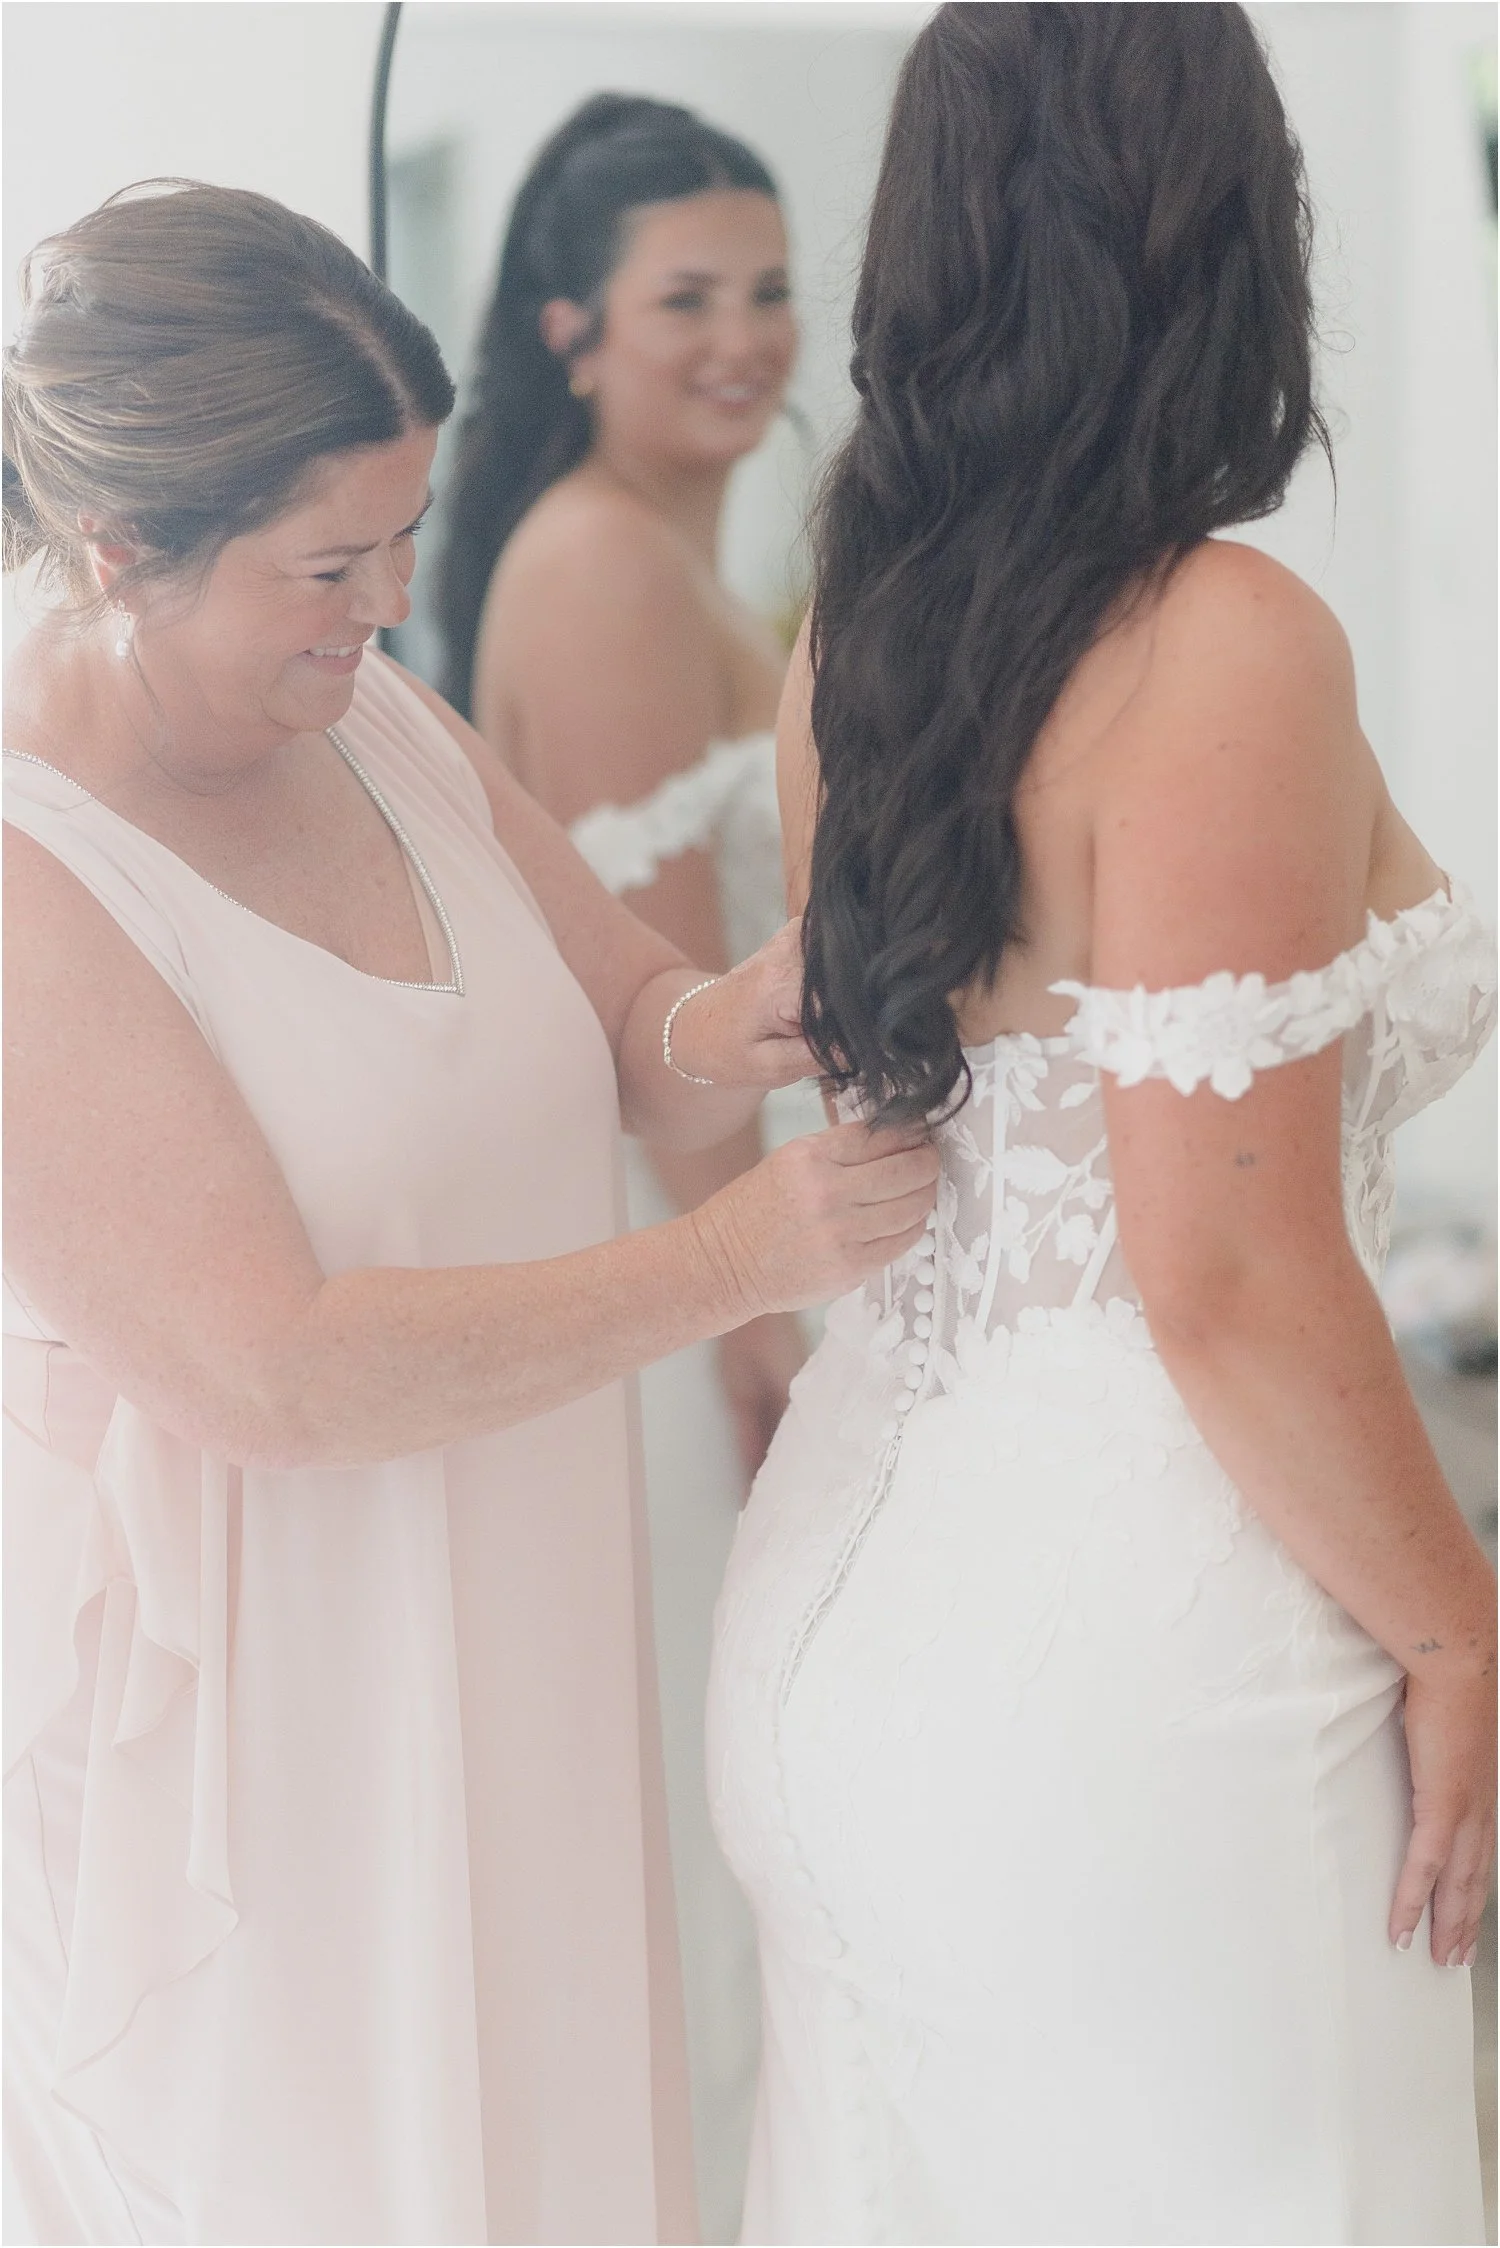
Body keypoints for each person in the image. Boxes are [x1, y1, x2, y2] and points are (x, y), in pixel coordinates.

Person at [1, 181, 939, 2248]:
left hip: (512, 1590)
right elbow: (270, 1365)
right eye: (331, 561)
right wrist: (739, 1261)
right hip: (271, 1722)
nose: (393, 599)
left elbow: (624, 1011)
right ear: (118, 546)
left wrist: (749, 1005)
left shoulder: (381, 720)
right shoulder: (27, 875)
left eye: (406, 533)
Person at [705, 7, 1498, 2241]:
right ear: (1228, 225)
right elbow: (1221, 1269)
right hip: (1146, 1641)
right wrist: (1459, 1622)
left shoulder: (853, 630)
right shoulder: (1225, 640)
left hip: (859, 1607)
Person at [436, 96, 812, 2238]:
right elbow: (669, 1027)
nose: (745, 338)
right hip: (687, 1284)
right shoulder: (593, 567)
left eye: (769, 289)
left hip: (726, 1259)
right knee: (691, 1844)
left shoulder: (686, 551)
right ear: (574, 325)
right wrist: (760, 1341)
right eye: (691, 297)